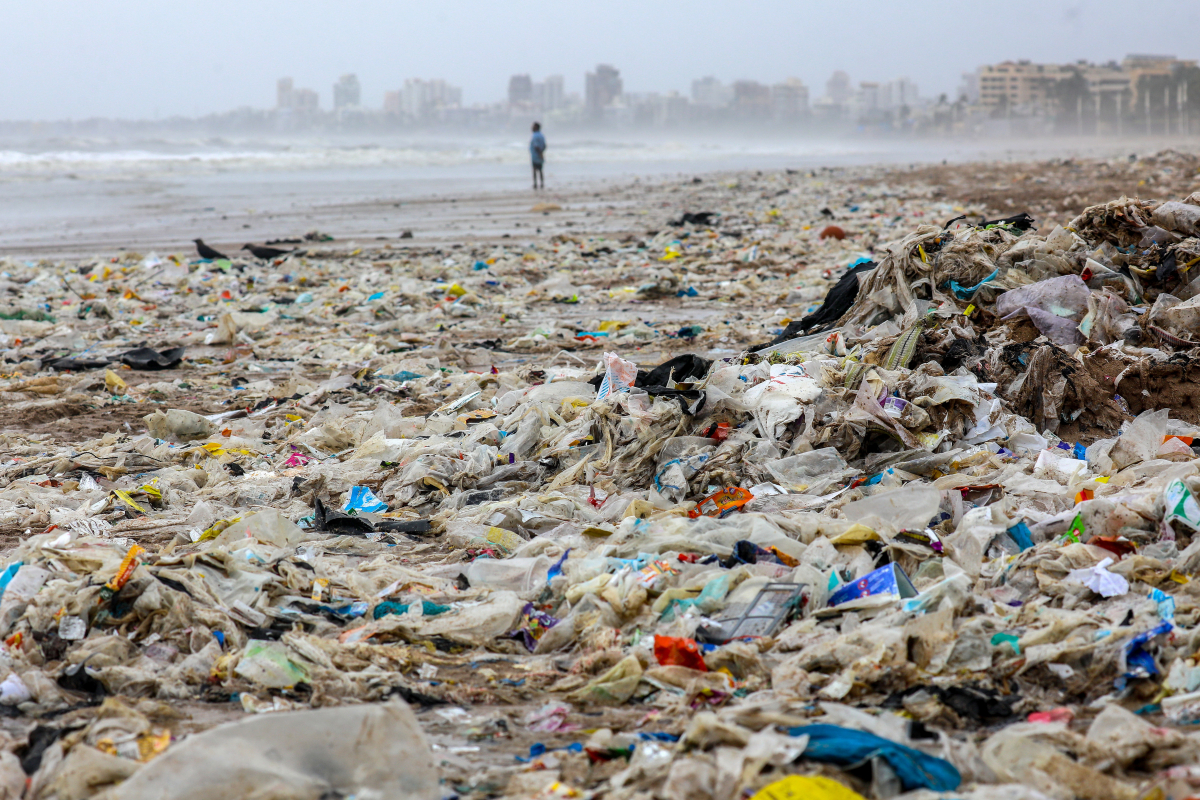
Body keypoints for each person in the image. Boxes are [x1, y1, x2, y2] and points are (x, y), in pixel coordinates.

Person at [530, 122, 546, 189]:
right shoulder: (542, 135)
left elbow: (536, 146)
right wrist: (542, 152)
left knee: (534, 170)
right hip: (540, 154)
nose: (532, 127)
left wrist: (540, 153)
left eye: (533, 126)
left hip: (535, 156)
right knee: (540, 170)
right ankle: (542, 184)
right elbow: (545, 145)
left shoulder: (535, 136)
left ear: (536, 127)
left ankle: (535, 184)